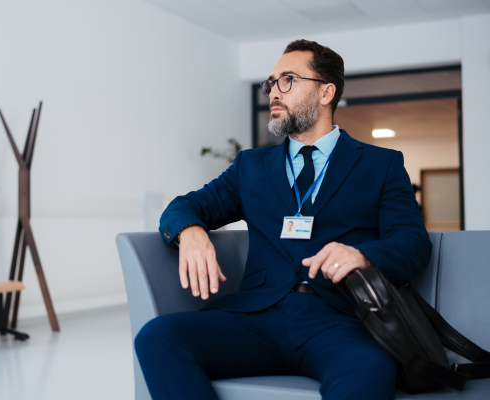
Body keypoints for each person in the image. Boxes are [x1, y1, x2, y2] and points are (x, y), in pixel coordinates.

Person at [135, 39, 431, 400]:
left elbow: (413, 244)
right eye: (271, 83)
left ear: (326, 92)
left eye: (287, 80)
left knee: (369, 371)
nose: (274, 92)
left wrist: (363, 256)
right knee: (158, 337)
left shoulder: (381, 165)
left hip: (339, 318)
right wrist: (191, 232)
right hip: (258, 317)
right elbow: (185, 205)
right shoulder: (250, 166)